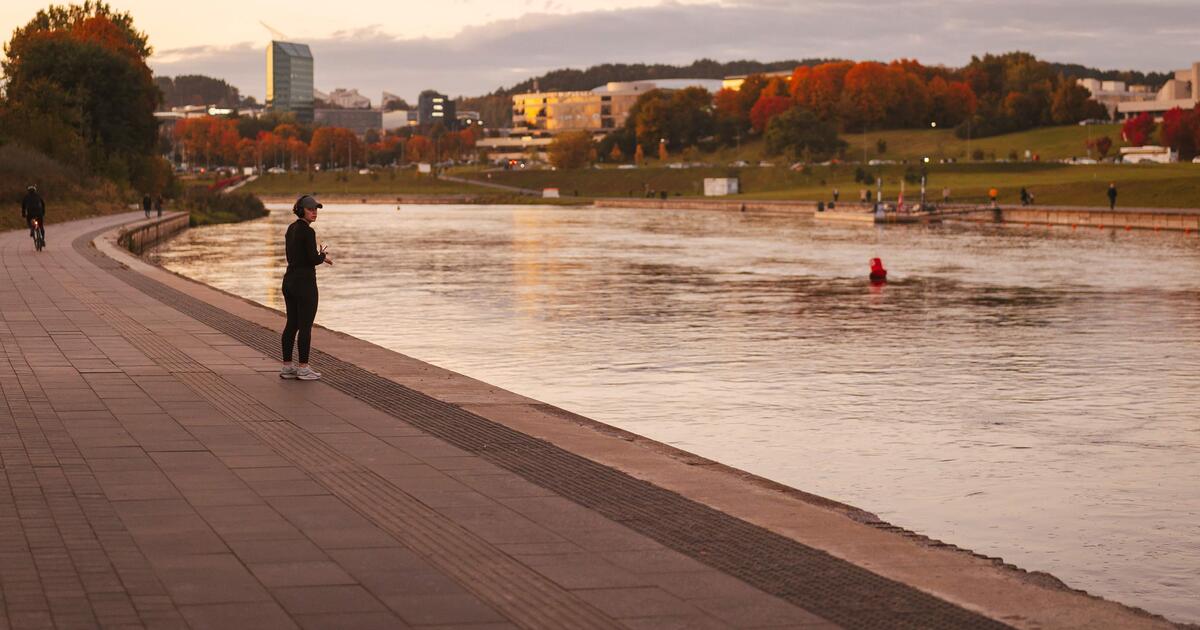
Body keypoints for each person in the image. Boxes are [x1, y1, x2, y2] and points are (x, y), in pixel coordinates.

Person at [280, 195, 333, 380]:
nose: (314, 212)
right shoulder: (308, 232)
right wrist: (321, 256)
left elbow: (294, 255)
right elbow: (311, 258)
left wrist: (316, 256)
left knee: (291, 324)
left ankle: (287, 366)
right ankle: (303, 368)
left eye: (316, 209)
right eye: (311, 209)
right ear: (301, 209)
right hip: (305, 284)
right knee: (305, 326)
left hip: (289, 281)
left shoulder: (291, 228)